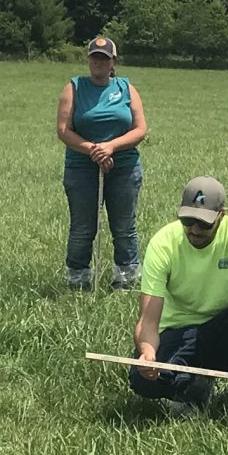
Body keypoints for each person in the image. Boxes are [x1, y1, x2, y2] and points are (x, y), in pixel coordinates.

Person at [128, 176, 228, 418]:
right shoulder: (163, 244)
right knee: (141, 380)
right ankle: (194, 388)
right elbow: (148, 320)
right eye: (188, 220)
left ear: (221, 215)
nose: (194, 229)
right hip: (180, 331)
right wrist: (147, 351)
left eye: (203, 223)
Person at [56, 35, 149, 291]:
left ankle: (126, 279)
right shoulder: (74, 88)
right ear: (88, 60)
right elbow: (64, 130)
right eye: (95, 57)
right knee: (83, 228)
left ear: (113, 62)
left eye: (104, 58)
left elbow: (140, 129)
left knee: (124, 227)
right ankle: (78, 280)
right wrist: (92, 150)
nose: (99, 62)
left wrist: (110, 147)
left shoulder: (126, 88)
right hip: (81, 168)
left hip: (124, 168)